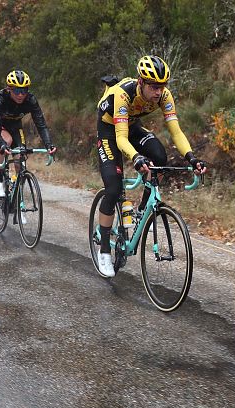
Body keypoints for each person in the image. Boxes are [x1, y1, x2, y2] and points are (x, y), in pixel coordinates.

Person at [93, 55, 207, 277]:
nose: (158, 92)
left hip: (132, 125)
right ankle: (104, 249)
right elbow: (121, 139)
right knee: (113, 188)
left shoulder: (164, 95)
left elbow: (176, 131)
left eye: (162, 86)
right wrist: (136, 157)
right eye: (154, 86)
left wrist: (192, 158)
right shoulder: (123, 94)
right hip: (110, 130)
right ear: (141, 82)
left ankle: (144, 209)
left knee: (160, 158)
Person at [0, 70, 56, 196]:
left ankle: (16, 199)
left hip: (16, 127)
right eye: (17, 91)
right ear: (9, 89)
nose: (21, 95)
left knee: (20, 162)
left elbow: (41, 124)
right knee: (7, 141)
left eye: (24, 90)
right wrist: (2, 144)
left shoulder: (30, 100)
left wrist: (49, 145)